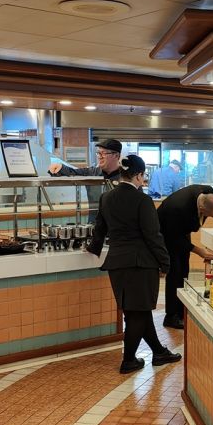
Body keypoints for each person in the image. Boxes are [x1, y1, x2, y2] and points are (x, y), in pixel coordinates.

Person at [87, 154, 181, 374]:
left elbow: (100, 229)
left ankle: (158, 352)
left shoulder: (106, 197)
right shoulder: (142, 200)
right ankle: (128, 360)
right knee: (137, 313)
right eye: (143, 175)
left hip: (116, 264)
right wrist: (165, 262)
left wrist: (93, 248)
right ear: (138, 175)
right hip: (141, 264)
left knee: (136, 311)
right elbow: (153, 235)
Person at [157, 184, 213, 329]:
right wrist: (199, 251)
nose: (211, 218)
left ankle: (181, 312)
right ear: (202, 209)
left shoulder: (208, 193)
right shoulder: (178, 208)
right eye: (209, 216)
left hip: (180, 231)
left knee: (184, 271)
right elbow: (174, 238)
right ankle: (171, 316)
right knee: (175, 272)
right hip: (166, 233)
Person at [47, 138, 123, 222]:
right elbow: (73, 172)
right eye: (98, 153)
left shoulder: (127, 177)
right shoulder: (93, 172)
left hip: (119, 225)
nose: (99, 157)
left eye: (103, 153)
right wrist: (60, 168)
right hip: (95, 223)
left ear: (116, 156)